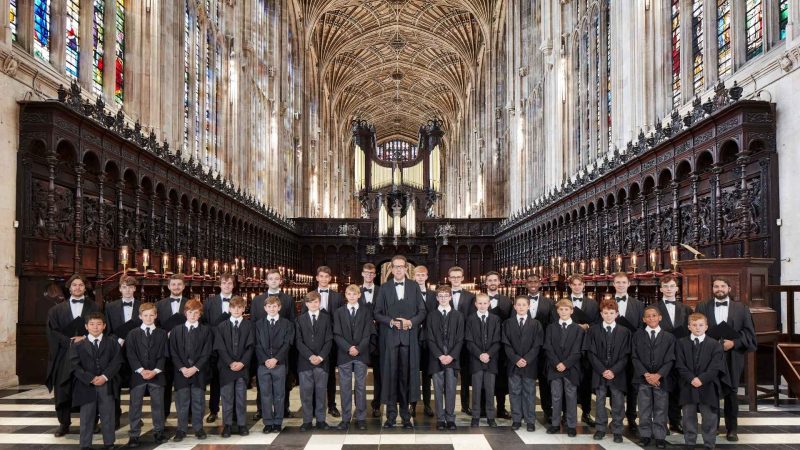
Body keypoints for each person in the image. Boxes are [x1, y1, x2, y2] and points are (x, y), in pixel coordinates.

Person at [694, 277, 757, 442]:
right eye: (716, 286)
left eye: (723, 286)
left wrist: (734, 343)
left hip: (732, 357)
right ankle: (712, 427)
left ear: (729, 288)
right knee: (710, 392)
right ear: (712, 288)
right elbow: (695, 330)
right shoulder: (702, 306)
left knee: (731, 393)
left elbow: (749, 334)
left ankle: (732, 430)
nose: (719, 289)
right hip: (709, 357)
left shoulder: (741, 308)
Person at [374, 255, 427, 429]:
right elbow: (377, 313)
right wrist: (390, 322)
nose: (398, 270)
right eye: (395, 267)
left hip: (409, 339)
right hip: (389, 339)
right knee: (390, 376)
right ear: (391, 269)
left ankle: (405, 416)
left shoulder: (414, 287)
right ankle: (390, 416)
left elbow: (422, 311)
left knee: (406, 377)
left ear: (406, 269)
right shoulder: (384, 287)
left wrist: (411, 322)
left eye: (401, 267)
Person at [46, 274, 99, 437]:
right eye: (74, 285)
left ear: (85, 288)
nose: (77, 288)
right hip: (64, 354)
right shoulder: (56, 310)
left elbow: (101, 326)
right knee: (62, 388)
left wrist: (84, 338)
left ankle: (91, 422)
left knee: (89, 386)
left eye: (81, 285)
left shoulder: (95, 307)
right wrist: (68, 341)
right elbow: (51, 331)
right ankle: (64, 423)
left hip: (88, 354)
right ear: (69, 288)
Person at [675, 313, 729, 450]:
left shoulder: (715, 345)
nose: (697, 328)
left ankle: (709, 444)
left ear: (706, 327)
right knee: (688, 416)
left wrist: (701, 379)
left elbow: (715, 367)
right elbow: (680, 365)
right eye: (694, 325)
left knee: (709, 417)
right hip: (688, 384)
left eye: (700, 325)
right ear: (689, 327)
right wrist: (692, 378)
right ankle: (690, 443)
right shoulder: (681, 343)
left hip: (708, 385)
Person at [70, 312, 122, 450]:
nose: (95, 327)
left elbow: (117, 362)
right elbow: (74, 365)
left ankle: (109, 443)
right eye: (92, 324)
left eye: (99, 324)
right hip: (86, 385)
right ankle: (85, 445)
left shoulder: (112, 342)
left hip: (107, 384)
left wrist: (105, 376)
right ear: (86, 327)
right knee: (87, 416)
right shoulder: (78, 344)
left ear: (104, 326)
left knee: (108, 415)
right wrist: (91, 378)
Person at [251, 269, 297, 420]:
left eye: (276, 279)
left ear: (280, 281)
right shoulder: (257, 300)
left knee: (284, 379)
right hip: (262, 348)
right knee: (262, 381)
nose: (273, 281)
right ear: (266, 281)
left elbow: (292, 321)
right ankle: (261, 409)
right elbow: (253, 323)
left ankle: (284, 409)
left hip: (281, 348)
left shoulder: (288, 299)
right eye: (271, 279)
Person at [586, 299, 631, 444]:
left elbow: (625, 355)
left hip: (617, 373)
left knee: (618, 401)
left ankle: (617, 430)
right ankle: (600, 428)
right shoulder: (593, 330)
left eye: (611, 313)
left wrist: (613, 370)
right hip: (599, 372)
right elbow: (591, 354)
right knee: (599, 401)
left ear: (617, 314)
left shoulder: (625, 332)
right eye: (605, 313)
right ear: (601, 314)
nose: (608, 316)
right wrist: (603, 370)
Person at [631, 306, 675, 449]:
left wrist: (658, 375)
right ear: (643, 319)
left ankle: (660, 436)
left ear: (660, 317)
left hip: (661, 379)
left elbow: (670, 359)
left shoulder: (669, 337)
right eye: (648, 316)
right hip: (643, 378)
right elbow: (635, 357)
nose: (651, 318)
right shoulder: (637, 336)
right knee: (644, 408)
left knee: (661, 408)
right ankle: (645, 435)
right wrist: (646, 374)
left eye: (654, 315)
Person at [169, 299, 213, 442]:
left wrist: (195, 368)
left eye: (196, 313)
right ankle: (181, 429)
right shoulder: (176, 330)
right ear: (185, 313)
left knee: (198, 401)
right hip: (181, 372)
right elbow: (173, 352)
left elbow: (207, 352)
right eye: (190, 312)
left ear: (200, 314)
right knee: (181, 402)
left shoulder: (206, 330)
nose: (193, 315)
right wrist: (182, 368)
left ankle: (198, 428)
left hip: (198, 372)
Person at [125, 303, 168, 447]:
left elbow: (164, 355)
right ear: (140, 316)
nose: (149, 318)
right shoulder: (133, 333)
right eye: (145, 315)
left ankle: (159, 431)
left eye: (151, 315)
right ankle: (134, 434)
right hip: (138, 375)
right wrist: (141, 370)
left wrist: (155, 370)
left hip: (157, 374)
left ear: (156, 316)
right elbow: (130, 354)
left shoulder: (162, 333)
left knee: (158, 405)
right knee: (135, 406)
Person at [333, 285, 374, 431]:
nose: (351, 296)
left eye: (354, 294)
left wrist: (358, 348)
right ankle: (345, 418)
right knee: (344, 387)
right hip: (344, 354)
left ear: (359, 295)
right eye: (349, 294)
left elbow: (367, 334)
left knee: (361, 387)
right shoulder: (338, 312)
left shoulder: (366, 312)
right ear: (346, 295)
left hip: (361, 354)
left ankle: (361, 418)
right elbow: (336, 333)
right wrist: (348, 348)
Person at [305, 266, 344, 418]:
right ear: (317, 278)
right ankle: (315, 405)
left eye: (326, 277)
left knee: (330, 375)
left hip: (331, 341)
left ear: (330, 279)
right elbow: (304, 320)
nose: (323, 279)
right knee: (314, 373)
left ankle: (331, 405)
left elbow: (341, 319)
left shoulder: (338, 297)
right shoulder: (309, 296)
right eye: (321, 276)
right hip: (314, 343)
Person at [104, 275, 141, 429]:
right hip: (116, 352)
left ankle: (136, 418)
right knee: (115, 387)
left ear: (134, 289)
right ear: (120, 288)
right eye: (124, 287)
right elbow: (107, 330)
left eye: (130, 287)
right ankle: (115, 418)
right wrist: (117, 339)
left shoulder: (142, 306)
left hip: (136, 353)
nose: (127, 290)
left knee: (136, 387)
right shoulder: (110, 307)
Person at [214, 295, 253, 438]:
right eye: (233, 307)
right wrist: (230, 362)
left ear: (243, 309)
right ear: (229, 308)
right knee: (227, 397)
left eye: (239, 307)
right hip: (226, 368)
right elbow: (220, 348)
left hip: (242, 368)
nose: (236, 310)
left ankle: (242, 424)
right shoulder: (221, 326)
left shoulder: (249, 325)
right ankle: (228, 425)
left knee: (241, 396)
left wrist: (242, 362)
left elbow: (250, 347)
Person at [545, 298, 585, 437]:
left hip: (571, 368)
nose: (563, 312)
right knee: (555, 396)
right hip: (554, 367)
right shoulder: (551, 327)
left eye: (566, 309)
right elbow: (548, 348)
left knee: (571, 396)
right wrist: (557, 363)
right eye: (561, 309)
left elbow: (577, 351)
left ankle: (571, 425)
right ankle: (555, 424)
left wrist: (565, 364)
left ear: (571, 311)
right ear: (557, 311)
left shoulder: (578, 330)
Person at [503, 295, 544, 432]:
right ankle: (516, 419)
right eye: (518, 305)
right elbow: (506, 344)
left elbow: (537, 345)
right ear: (514, 307)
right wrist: (516, 359)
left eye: (523, 305)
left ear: (528, 306)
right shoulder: (508, 323)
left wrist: (526, 359)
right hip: (513, 364)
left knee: (529, 392)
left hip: (529, 364)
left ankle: (530, 420)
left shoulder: (536, 324)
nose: (521, 307)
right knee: (514, 392)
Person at [655, 274, 691, 433]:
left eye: (671, 286)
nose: (669, 289)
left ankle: (676, 421)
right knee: (662, 389)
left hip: (681, 354)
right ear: (661, 288)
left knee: (678, 389)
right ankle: (661, 423)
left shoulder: (686, 309)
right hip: (661, 354)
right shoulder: (653, 309)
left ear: (677, 288)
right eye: (666, 286)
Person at [427, 285, 465, 431]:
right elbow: (430, 338)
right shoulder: (431, 315)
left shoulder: (458, 316)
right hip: (437, 359)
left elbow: (460, 338)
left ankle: (450, 418)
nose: (443, 298)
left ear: (450, 297)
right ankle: (440, 418)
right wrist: (440, 355)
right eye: (440, 296)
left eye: (445, 296)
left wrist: (451, 356)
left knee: (450, 389)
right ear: (437, 298)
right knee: (437, 390)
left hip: (452, 360)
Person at [611, 272, 645, 433]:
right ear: (613, 284)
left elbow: (641, 328)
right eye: (617, 282)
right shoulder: (606, 303)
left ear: (629, 284)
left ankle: (632, 418)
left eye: (623, 282)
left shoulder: (638, 304)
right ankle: (615, 418)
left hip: (632, 350)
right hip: (612, 352)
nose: (620, 285)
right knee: (614, 385)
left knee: (633, 386)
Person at [255, 296, 295, 433]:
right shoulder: (258, 324)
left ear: (279, 307)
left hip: (280, 364)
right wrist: (266, 359)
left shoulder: (287, 324)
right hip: (263, 364)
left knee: (279, 394)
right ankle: (268, 422)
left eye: (275, 306)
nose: (272, 309)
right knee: (265, 394)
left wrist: (276, 359)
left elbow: (287, 344)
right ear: (265, 308)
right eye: (269, 306)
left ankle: (278, 421)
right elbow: (257, 344)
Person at [296, 291, 333, 431]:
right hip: (305, 362)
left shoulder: (326, 319)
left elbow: (329, 340)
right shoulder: (299, 319)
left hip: (322, 362)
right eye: (310, 302)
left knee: (321, 392)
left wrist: (320, 357)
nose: (313, 304)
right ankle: (306, 420)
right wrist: (310, 356)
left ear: (320, 303)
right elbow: (298, 341)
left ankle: (321, 420)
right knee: (305, 393)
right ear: (306, 304)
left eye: (316, 302)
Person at [204, 273, 237, 424]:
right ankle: (213, 410)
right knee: (215, 379)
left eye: (230, 283)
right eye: (224, 283)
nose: (227, 286)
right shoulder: (210, 302)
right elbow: (205, 323)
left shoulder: (238, 300)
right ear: (220, 285)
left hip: (233, 348)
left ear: (233, 285)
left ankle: (235, 410)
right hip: (215, 347)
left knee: (234, 380)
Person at [465, 292, 502, 427]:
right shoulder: (470, 319)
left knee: (490, 389)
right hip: (476, 360)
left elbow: (497, 340)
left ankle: (490, 416)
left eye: (485, 303)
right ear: (475, 304)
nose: (482, 305)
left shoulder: (495, 319)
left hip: (491, 360)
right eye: (479, 303)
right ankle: (475, 416)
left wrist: (488, 354)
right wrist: (480, 354)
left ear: (489, 304)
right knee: (476, 389)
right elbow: (469, 340)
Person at [566, 275, 598, 427]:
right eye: (574, 284)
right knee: (568, 381)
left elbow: (598, 322)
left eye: (580, 284)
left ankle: (586, 412)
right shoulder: (563, 302)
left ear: (583, 286)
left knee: (586, 381)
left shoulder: (592, 303)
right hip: (568, 347)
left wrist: (588, 327)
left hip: (586, 347)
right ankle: (566, 413)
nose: (577, 287)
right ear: (570, 286)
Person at [155, 273, 189, 418]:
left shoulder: (190, 303)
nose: (176, 287)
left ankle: (187, 414)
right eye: (173, 284)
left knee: (185, 384)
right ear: (168, 286)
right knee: (166, 383)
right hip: (166, 350)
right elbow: (155, 326)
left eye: (179, 284)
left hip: (186, 350)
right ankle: (164, 414)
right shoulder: (159, 305)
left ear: (184, 286)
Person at [524, 273, 554, 424]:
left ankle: (548, 411)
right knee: (525, 380)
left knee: (544, 381)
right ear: (526, 284)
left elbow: (553, 325)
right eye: (530, 281)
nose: (533, 284)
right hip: (525, 349)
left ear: (540, 284)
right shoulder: (519, 302)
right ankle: (524, 411)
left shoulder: (549, 303)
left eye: (535, 281)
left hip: (542, 349)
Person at [448, 266, 475, 414]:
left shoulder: (471, 296)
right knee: (448, 375)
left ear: (462, 278)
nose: (456, 279)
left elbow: (471, 320)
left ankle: (465, 405)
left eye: (458, 277)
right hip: (448, 342)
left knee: (465, 376)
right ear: (449, 278)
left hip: (464, 341)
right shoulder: (442, 295)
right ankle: (447, 406)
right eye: (453, 277)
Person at [412, 264, 437, 418]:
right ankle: (412, 405)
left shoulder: (434, 295)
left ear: (427, 276)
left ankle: (427, 404)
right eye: (418, 275)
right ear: (414, 276)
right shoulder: (409, 293)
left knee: (427, 374)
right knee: (413, 373)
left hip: (429, 339)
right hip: (413, 337)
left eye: (423, 275)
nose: (420, 278)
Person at [359, 263, 383, 418]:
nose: (369, 275)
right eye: (366, 272)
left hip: (378, 339)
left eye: (372, 273)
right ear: (362, 274)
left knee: (378, 375)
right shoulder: (355, 292)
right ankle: (359, 407)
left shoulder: (381, 291)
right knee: (359, 375)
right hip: (360, 340)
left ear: (375, 275)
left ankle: (376, 405)